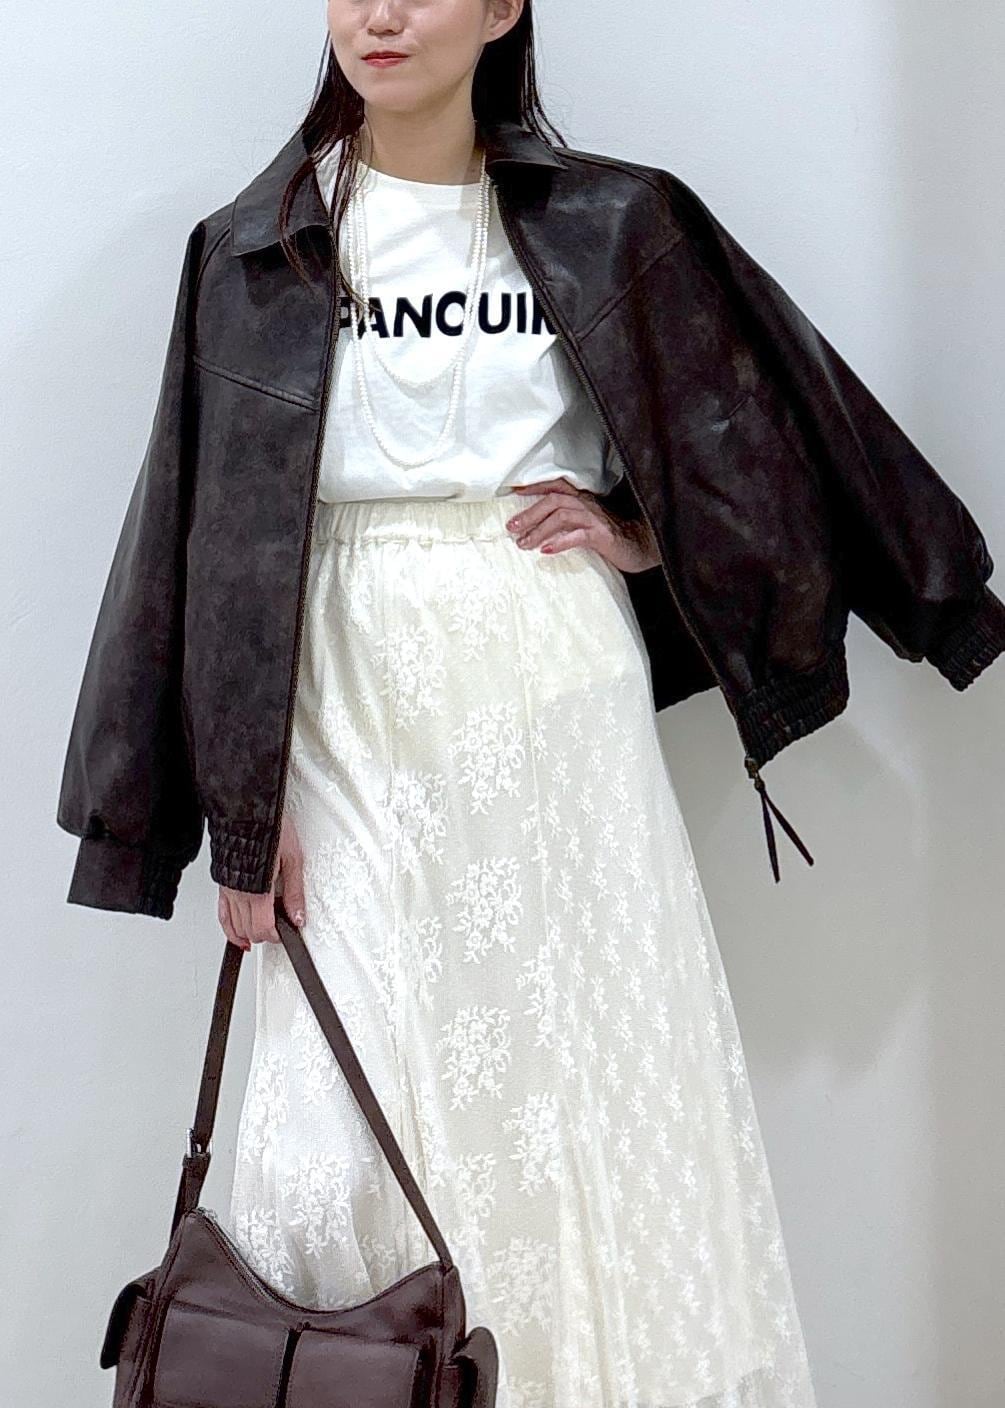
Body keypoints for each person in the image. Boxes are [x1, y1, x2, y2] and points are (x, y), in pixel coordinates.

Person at [214, 3, 820, 1406]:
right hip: (337, 679)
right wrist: (241, 804)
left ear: (501, 9)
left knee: (569, 1083)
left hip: (546, 683)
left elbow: (759, 441)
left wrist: (643, 533)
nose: (379, 15)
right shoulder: (256, 246)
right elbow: (208, 543)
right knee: (329, 1139)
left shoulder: (615, 221)